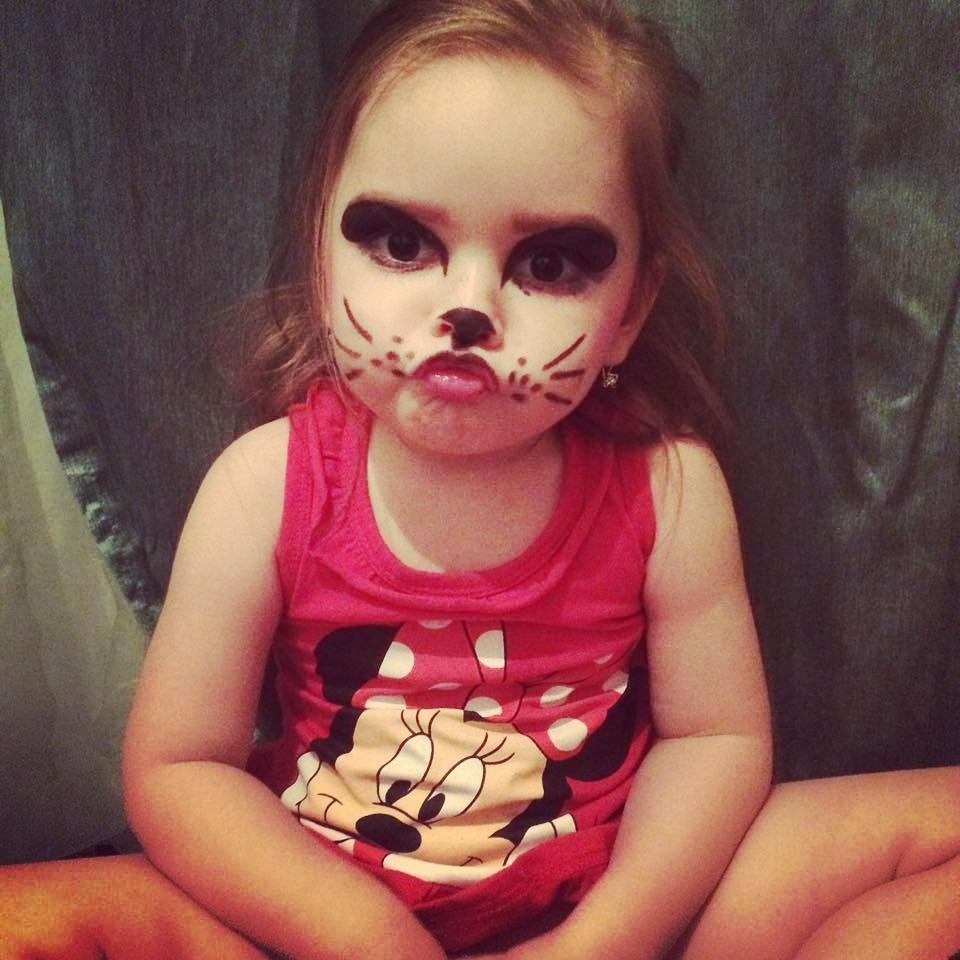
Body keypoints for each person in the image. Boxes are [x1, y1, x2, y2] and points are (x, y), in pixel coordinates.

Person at [2, 1, 958, 958]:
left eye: (548, 262)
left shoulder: (669, 489)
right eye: (402, 244)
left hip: (614, 908)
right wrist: (363, 937)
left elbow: (717, 743)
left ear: (630, 311)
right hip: (314, 917)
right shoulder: (261, 486)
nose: (468, 309)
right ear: (320, 248)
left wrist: (605, 941)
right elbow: (180, 766)